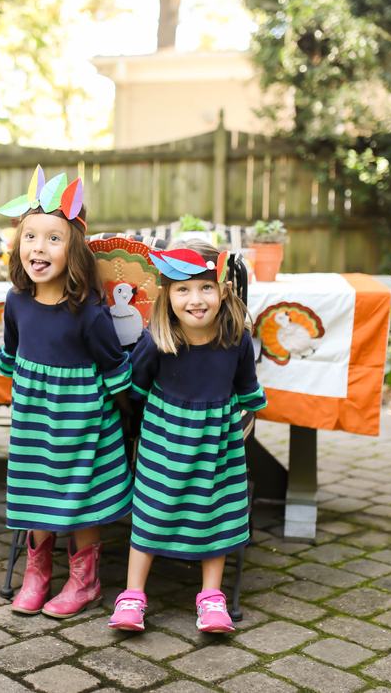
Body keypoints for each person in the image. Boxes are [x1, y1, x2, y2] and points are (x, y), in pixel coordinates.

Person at [0, 166, 134, 618]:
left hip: (83, 421)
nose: (39, 247)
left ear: (73, 249)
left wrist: (122, 415)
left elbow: (115, 368)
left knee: (80, 497)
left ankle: (85, 580)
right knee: (36, 491)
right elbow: (10, 354)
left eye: (53, 238)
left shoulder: (88, 311)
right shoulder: (16, 302)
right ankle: (36, 574)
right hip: (35, 420)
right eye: (30, 236)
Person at [108, 242, 266, 634]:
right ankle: (133, 594)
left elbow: (247, 386)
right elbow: (136, 388)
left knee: (215, 511)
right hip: (165, 440)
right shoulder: (156, 340)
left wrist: (247, 414)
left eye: (205, 287)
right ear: (168, 295)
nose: (196, 299)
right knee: (152, 510)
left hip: (216, 442)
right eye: (183, 289)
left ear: (222, 291)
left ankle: (211, 597)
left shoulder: (236, 339)